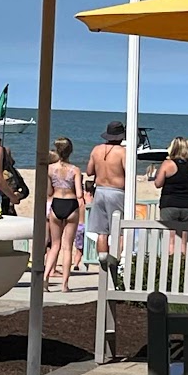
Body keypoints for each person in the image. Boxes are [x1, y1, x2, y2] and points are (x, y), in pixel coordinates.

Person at [44, 137, 85, 291]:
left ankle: (46, 277)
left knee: (55, 245)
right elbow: (79, 193)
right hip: (70, 203)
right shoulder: (75, 170)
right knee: (67, 247)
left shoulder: (49, 169)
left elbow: (49, 191)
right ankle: (64, 284)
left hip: (56, 203)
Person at [85, 121, 128, 260]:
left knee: (102, 232)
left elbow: (89, 171)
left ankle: (103, 261)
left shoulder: (96, 150)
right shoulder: (122, 152)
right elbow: (128, 171)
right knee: (119, 230)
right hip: (116, 191)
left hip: (100, 190)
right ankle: (115, 260)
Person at [152, 137, 188, 226]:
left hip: (170, 203)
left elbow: (158, 184)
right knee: (186, 232)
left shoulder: (168, 163)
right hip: (187, 203)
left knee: (170, 232)